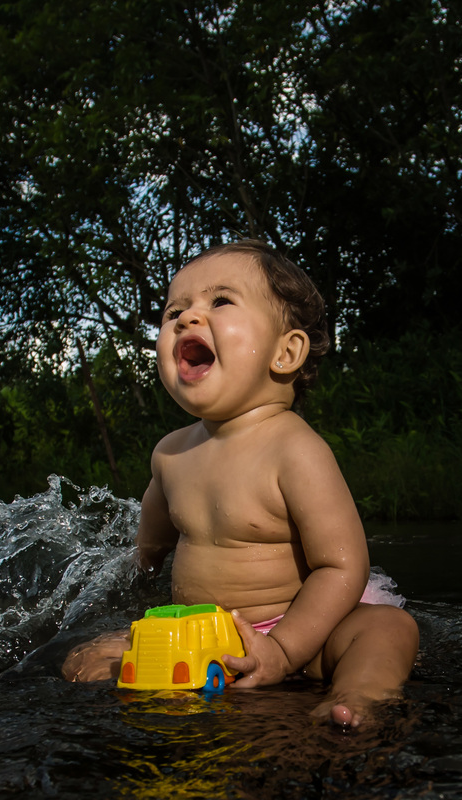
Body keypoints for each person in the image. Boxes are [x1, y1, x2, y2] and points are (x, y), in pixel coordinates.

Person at [62, 239, 418, 727]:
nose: (187, 318)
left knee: (387, 629)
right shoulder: (170, 454)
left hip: (300, 629)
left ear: (286, 351)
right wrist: (132, 604)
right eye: (174, 311)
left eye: (220, 301)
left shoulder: (294, 450)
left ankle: (359, 697)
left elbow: (341, 566)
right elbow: (148, 552)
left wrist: (283, 650)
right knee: (83, 659)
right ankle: (171, 686)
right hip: (198, 635)